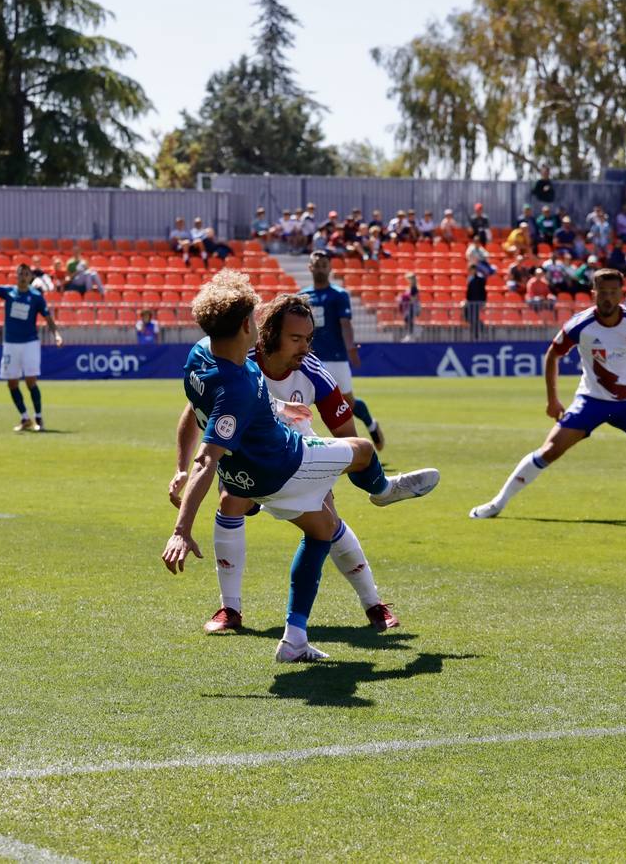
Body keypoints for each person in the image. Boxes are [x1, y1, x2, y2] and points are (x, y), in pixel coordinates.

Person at [162, 271, 439, 662]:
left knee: (322, 529)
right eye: (296, 338)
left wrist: (278, 408)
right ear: (250, 325)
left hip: (249, 466)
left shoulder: (202, 353)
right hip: (285, 464)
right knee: (361, 450)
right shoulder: (239, 381)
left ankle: (295, 639)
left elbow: (214, 409)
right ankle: (383, 492)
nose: (305, 347)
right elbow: (207, 457)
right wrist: (180, 529)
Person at [470, 268, 626, 522]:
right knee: (550, 450)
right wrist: (552, 399)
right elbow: (553, 355)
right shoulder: (580, 325)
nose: (608, 298)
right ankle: (497, 503)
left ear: (622, 294)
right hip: (591, 401)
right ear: (593, 294)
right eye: (603, 293)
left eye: (613, 292)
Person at [303, 250, 385, 448]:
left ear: (330, 267)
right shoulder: (303, 296)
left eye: (324, 264)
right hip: (310, 358)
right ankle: (301, 449)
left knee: (347, 402)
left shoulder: (339, 295)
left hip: (336, 357)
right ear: (310, 267)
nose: (321, 267)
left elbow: (345, 323)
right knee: (300, 401)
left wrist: (350, 348)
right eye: (317, 263)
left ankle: (371, 425)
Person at [0, 252, 63, 431]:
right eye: (20, 273)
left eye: (26, 274)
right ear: (17, 276)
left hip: (30, 343)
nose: (23, 276)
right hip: (10, 344)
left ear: (30, 277)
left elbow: (48, 318)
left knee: (31, 381)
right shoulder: (8, 292)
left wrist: (57, 334)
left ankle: (38, 418)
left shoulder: (36, 296)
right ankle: (25, 418)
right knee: (11, 383)